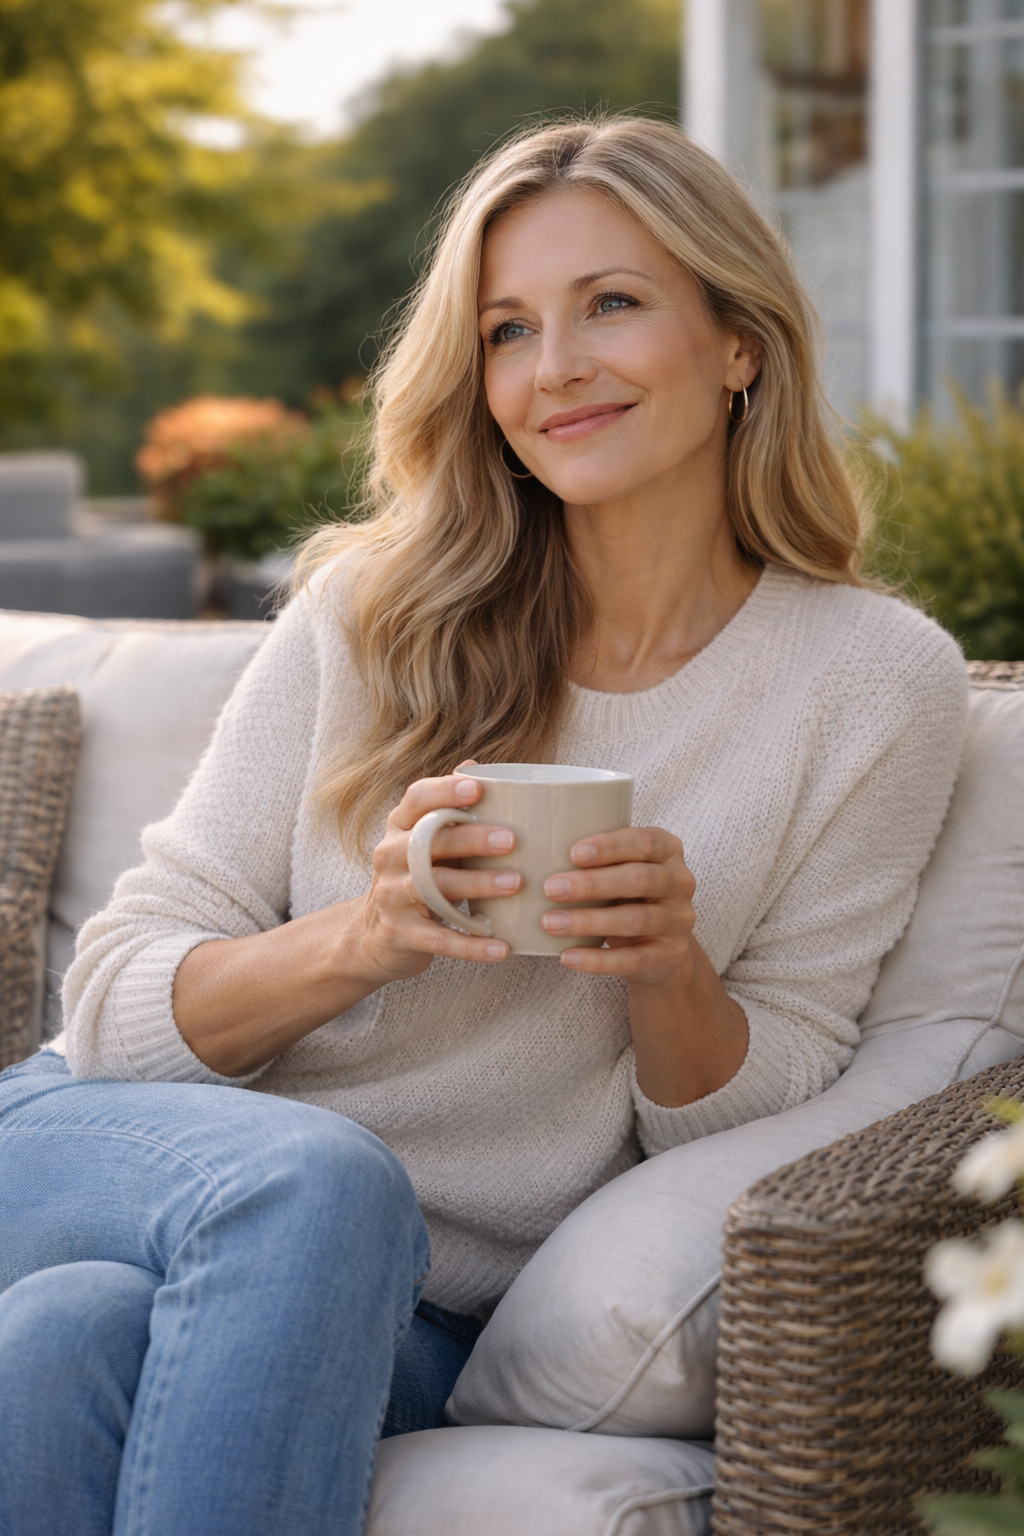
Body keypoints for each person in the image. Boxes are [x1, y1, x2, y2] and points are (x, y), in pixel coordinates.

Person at [0, 116, 966, 1536]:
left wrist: (665, 968)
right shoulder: (375, 612)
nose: (553, 368)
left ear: (739, 340)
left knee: (73, 1338)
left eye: (611, 305)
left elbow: (779, 1099)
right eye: (507, 330)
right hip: (103, 1145)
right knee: (320, 1182)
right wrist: (366, 940)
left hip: (410, 1306)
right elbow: (119, 991)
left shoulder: (875, 680)